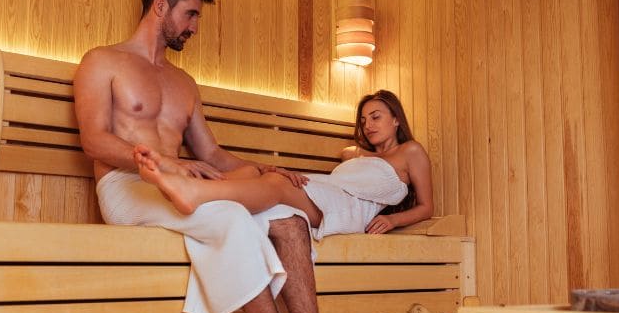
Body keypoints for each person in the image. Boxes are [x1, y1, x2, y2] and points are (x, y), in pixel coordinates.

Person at [73, 0, 391, 313]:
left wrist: (266, 169)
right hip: (126, 187)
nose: (194, 27)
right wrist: (168, 164)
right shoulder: (102, 61)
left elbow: (212, 155)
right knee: (229, 217)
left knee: (287, 214)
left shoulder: (183, 83)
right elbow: (94, 141)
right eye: (190, 15)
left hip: (180, 185)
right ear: (159, 5)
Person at [132, 90, 434, 238]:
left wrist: (393, 221)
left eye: (376, 117)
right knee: (254, 172)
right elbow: (342, 165)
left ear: (396, 118)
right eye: (364, 120)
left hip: (352, 210)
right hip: (328, 189)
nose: (368, 125)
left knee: (277, 184)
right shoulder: (354, 153)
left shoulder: (411, 152)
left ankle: (193, 192)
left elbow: (426, 207)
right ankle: (187, 188)